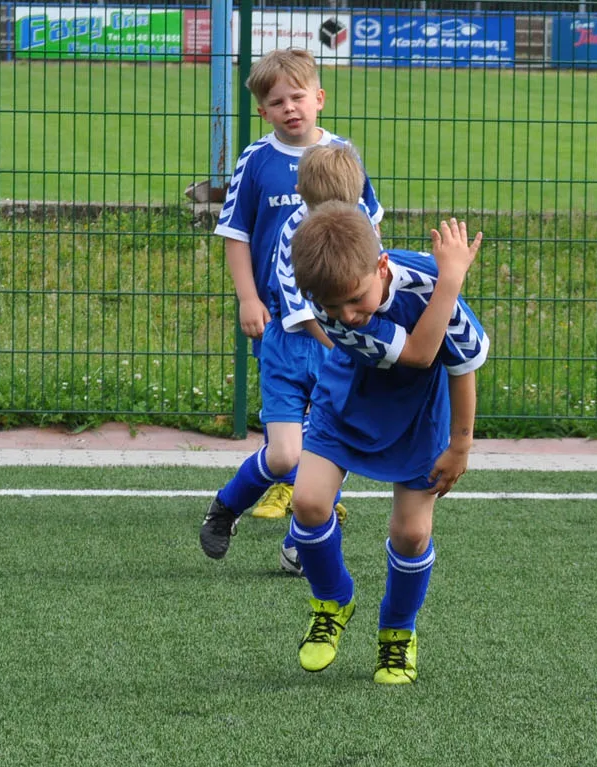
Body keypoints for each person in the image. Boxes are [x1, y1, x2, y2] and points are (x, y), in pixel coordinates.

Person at [286, 205, 489, 685]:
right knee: (308, 502)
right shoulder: (334, 309)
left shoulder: (426, 282)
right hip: (348, 398)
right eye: (332, 307)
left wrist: (460, 445)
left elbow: (462, 365)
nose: (346, 316)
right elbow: (419, 353)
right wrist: (451, 281)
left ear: (381, 267)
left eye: (355, 300)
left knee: (411, 534)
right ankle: (333, 598)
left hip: (418, 416)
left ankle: (397, 631)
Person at [202, 49, 383, 566]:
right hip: (287, 333)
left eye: (298, 97)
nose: (290, 108)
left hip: (336, 334)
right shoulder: (258, 162)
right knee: (284, 452)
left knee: (331, 440)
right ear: (263, 111)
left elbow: (371, 240)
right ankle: (227, 506)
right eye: (277, 102)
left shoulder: (343, 157)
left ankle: (304, 534)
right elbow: (236, 232)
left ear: (319, 98)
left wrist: (371, 316)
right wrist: (248, 297)